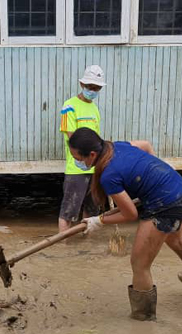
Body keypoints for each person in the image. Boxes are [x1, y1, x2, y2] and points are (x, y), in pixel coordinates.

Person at [67, 128, 182, 321]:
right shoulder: (116, 146)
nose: (79, 162)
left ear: (92, 154)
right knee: (176, 241)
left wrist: (99, 220)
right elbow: (145, 145)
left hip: (164, 204)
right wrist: (152, 173)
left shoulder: (108, 175)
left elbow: (129, 213)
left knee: (139, 264)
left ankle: (143, 318)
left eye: (78, 158)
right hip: (177, 187)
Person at [58, 65, 106, 233]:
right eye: (90, 87)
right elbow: (73, 139)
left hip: (94, 167)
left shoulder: (94, 108)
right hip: (76, 169)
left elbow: (97, 138)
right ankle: (63, 249)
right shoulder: (69, 106)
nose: (93, 91)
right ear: (81, 84)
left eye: (96, 88)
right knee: (69, 211)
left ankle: (87, 246)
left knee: (92, 212)